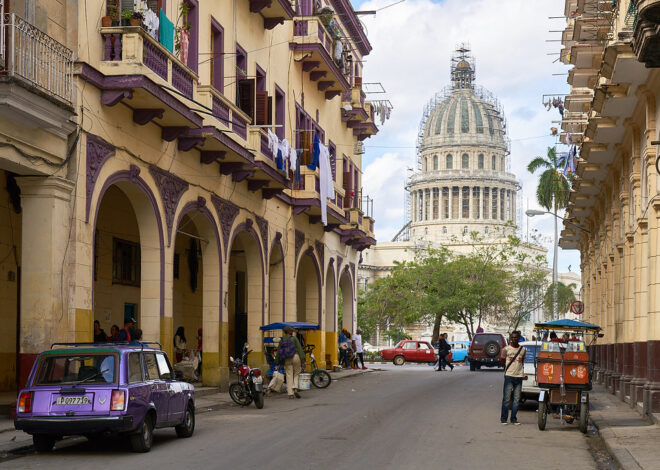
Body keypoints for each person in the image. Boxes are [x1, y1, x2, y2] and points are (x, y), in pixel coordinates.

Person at [500, 330, 526, 425]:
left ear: (519, 338)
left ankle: (513, 419)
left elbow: (522, 362)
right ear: (511, 338)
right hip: (509, 376)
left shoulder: (523, 350)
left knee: (516, 400)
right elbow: (502, 362)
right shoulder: (506, 349)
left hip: (519, 377)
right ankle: (503, 419)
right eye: (513, 337)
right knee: (506, 399)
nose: (514, 339)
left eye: (516, 337)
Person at [276, 326, 305, 399]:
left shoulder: (282, 340)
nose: (292, 331)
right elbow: (299, 349)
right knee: (297, 372)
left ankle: (290, 394)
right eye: (291, 330)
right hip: (295, 356)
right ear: (289, 331)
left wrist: (277, 363)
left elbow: (278, 353)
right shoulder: (294, 338)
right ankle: (295, 387)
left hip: (287, 359)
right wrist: (303, 360)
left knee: (289, 375)